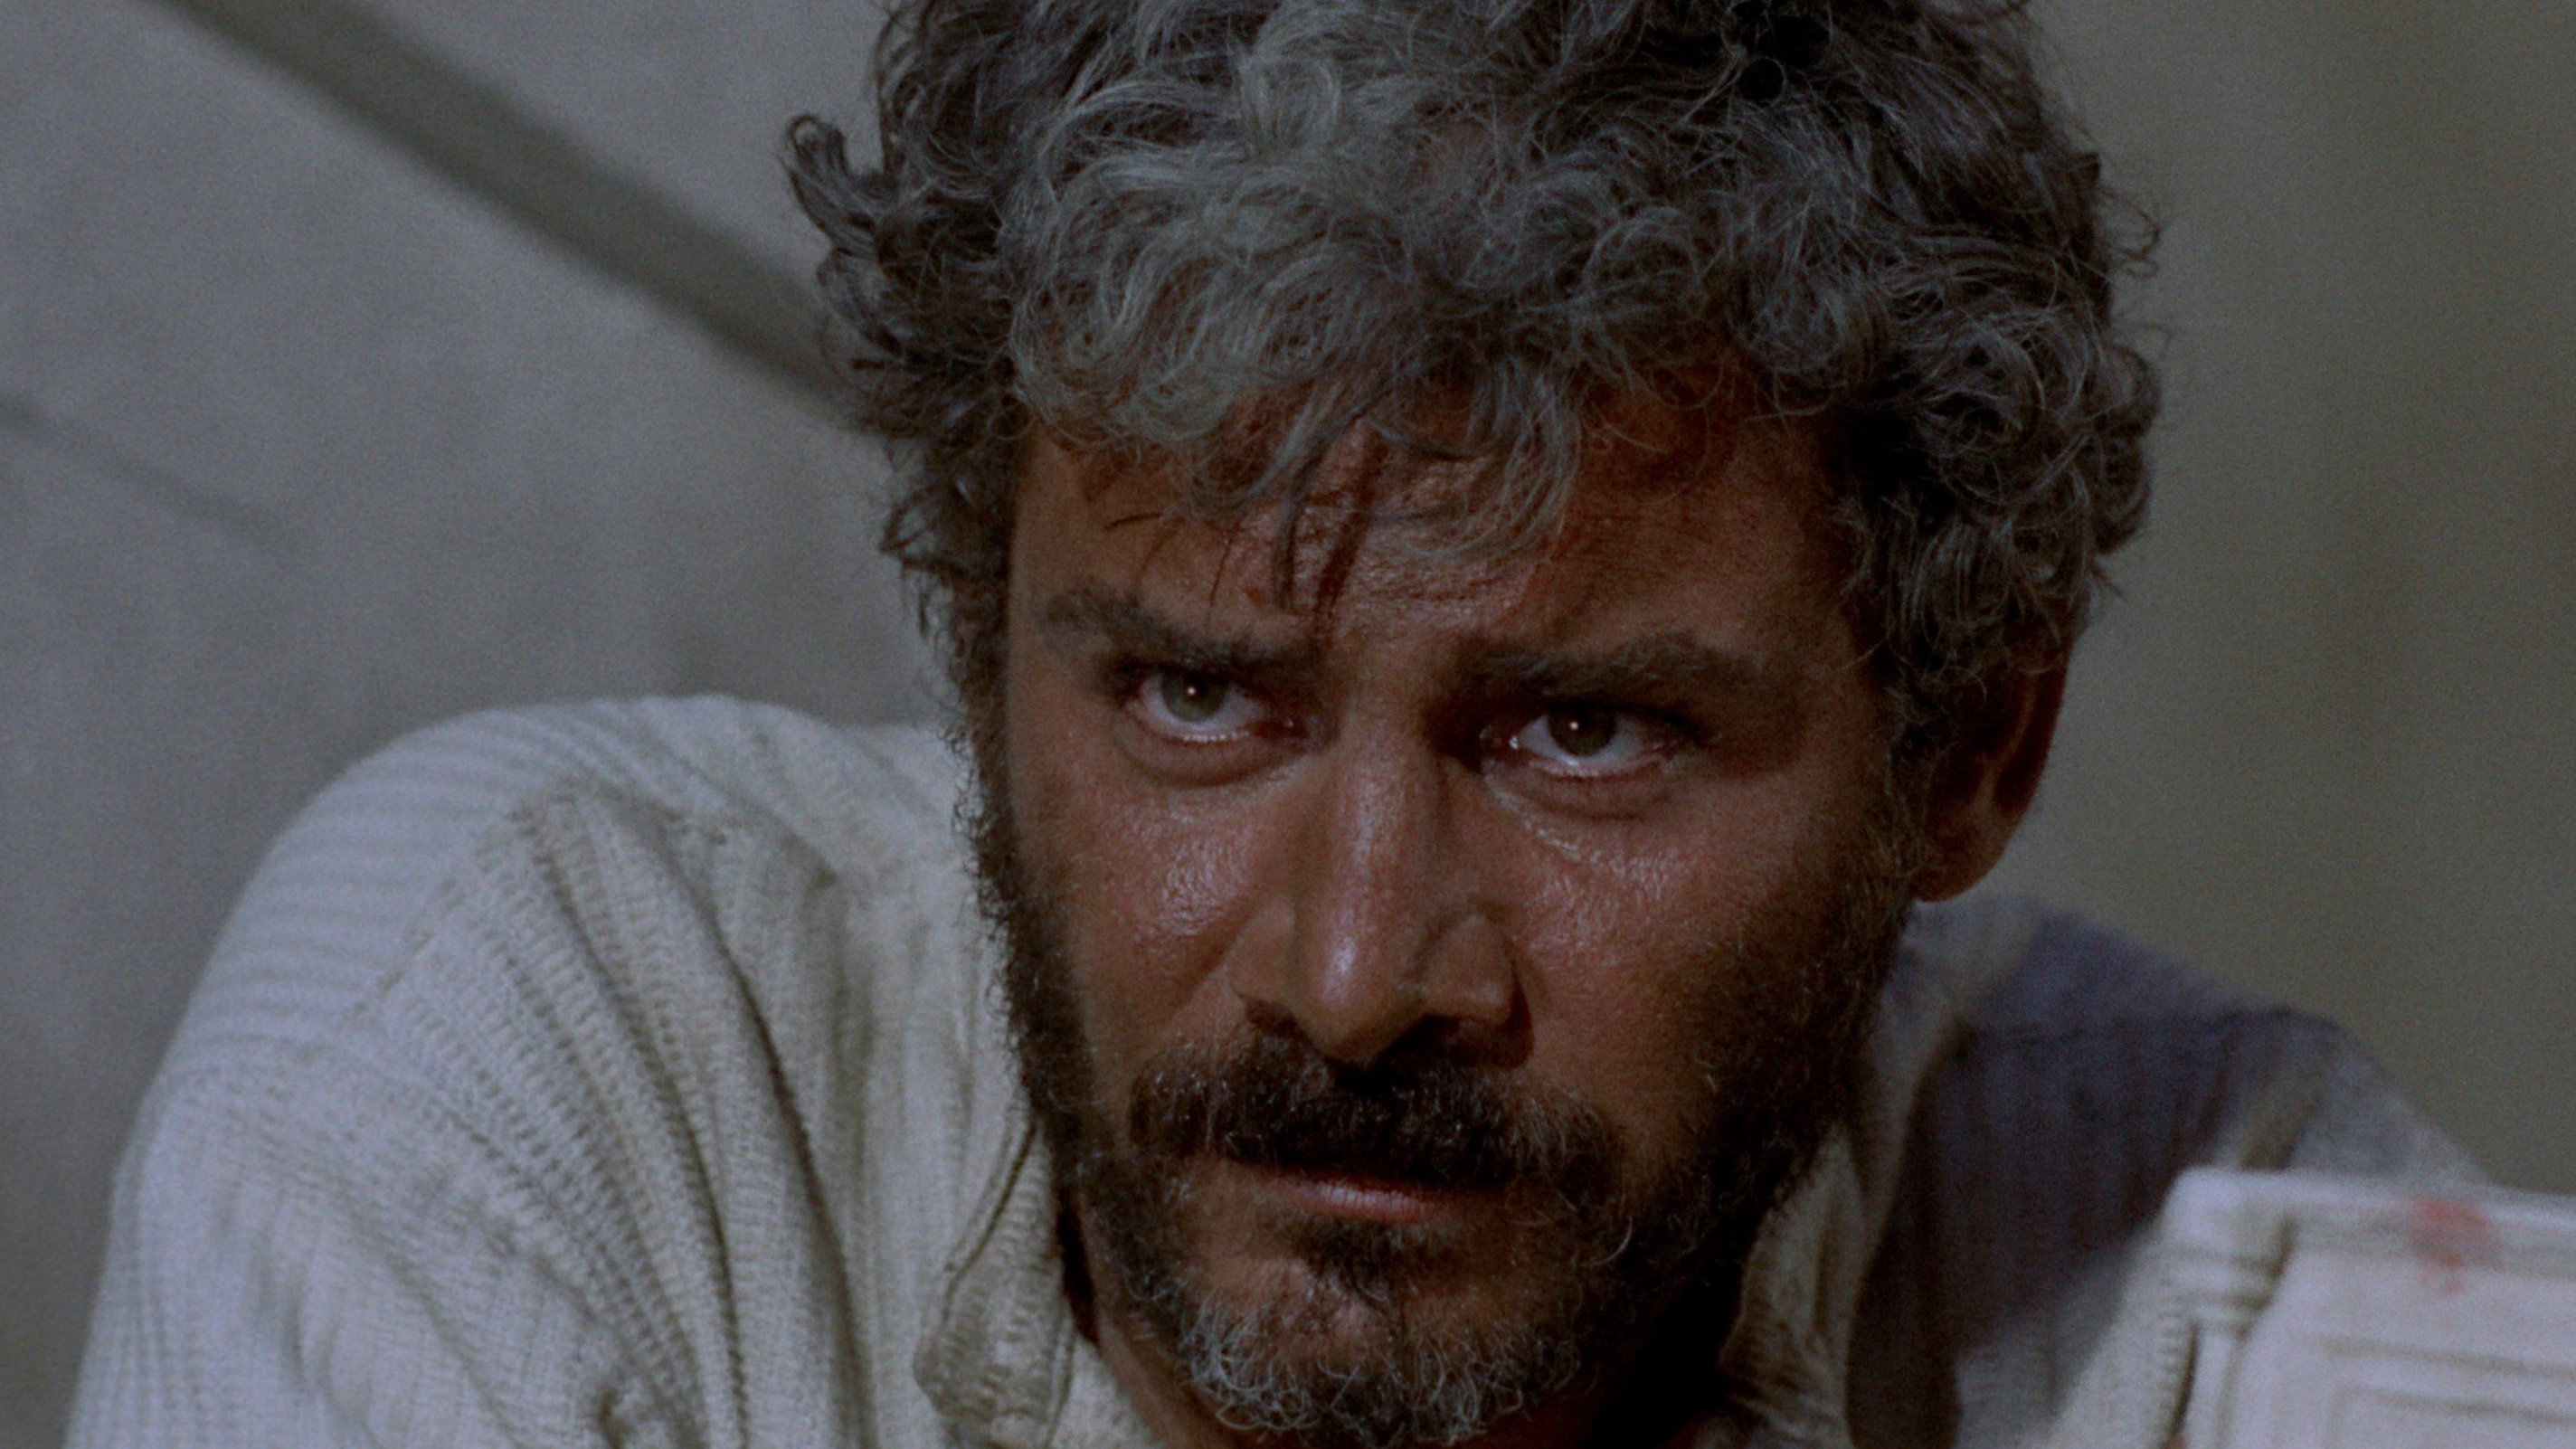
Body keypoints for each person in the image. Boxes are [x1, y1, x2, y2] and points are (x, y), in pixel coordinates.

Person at [70, 0, 2478, 1444]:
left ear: (1968, 753)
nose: (1352, 975)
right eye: (1198, 697)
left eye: (1585, 735)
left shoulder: (2214, 1278)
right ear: (979, 645)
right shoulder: (524, 1054)